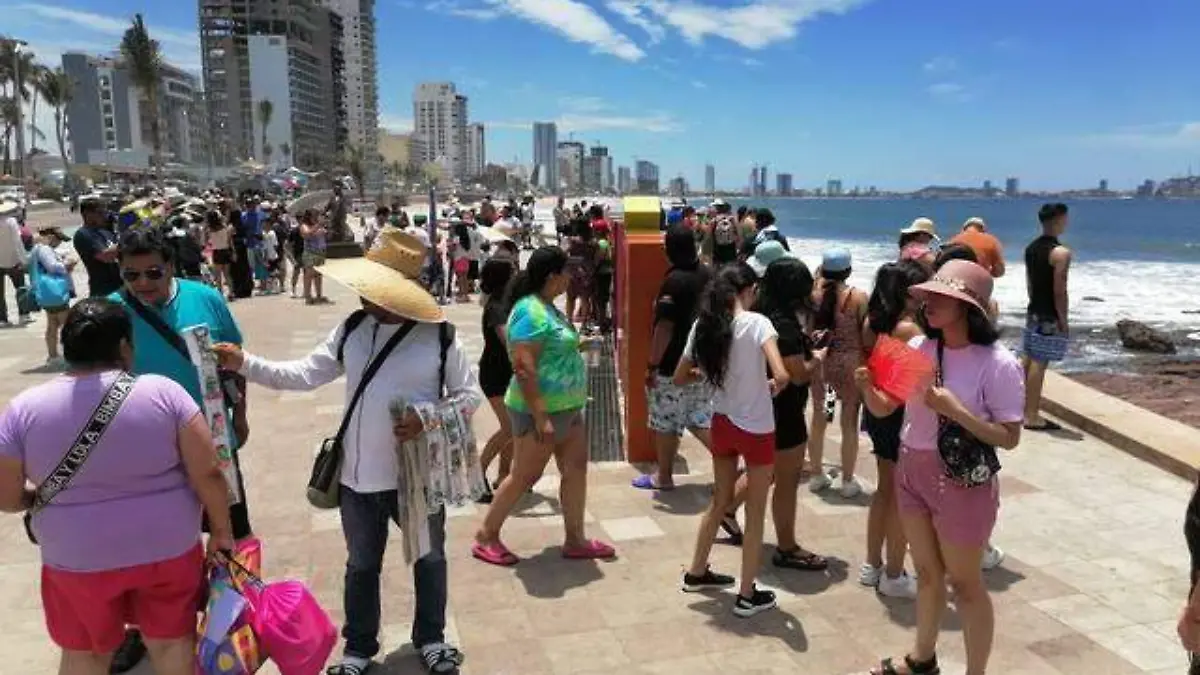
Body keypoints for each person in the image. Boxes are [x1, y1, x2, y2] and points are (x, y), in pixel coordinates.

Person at [212, 229, 479, 675]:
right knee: (361, 566)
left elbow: (468, 397)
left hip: (417, 479)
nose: (363, 294)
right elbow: (303, 374)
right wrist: (245, 363)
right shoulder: (352, 329)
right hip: (358, 478)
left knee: (430, 560)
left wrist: (426, 418)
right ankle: (358, 647)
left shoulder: (441, 337)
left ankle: (432, 638)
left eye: (373, 288)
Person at [0, 298, 235, 675]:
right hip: (167, 547)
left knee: (85, 653)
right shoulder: (165, 393)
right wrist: (221, 532)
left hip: (76, 556)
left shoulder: (23, 409)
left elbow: (7, 497)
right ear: (125, 346)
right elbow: (207, 472)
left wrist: (34, 498)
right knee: (172, 642)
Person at [857, 260, 1024, 675]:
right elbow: (885, 407)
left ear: (968, 307)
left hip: (961, 482)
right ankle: (922, 659)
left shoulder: (998, 362)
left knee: (965, 585)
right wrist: (865, 386)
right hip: (911, 470)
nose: (927, 303)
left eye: (940, 297)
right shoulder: (918, 347)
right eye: (927, 296)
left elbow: (1009, 437)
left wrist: (957, 411)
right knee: (927, 574)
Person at [473, 246, 615, 566]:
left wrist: (581, 344)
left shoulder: (549, 307)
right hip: (540, 411)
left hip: (567, 407)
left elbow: (553, 345)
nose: (571, 277)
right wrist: (540, 417)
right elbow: (523, 368)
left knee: (575, 470)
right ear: (553, 276)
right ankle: (486, 535)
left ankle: (575, 539)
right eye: (567, 272)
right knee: (524, 475)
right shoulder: (530, 311)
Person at [675, 263, 789, 617]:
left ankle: (697, 572)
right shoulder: (758, 323)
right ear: (748, 290)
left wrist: (713, 374)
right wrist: (771, 385)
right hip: (756, 429)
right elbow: (782, 374)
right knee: (755, 514)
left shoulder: (704, 325)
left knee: (719, 501)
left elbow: (680, 376)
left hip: (722, 423)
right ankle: (746, 594)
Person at [739, 257, 828, 572]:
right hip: (785, 412)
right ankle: (787, 547)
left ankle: (724, 511)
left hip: (756, 407)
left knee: (762, 472)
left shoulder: (757, 315)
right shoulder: (785, 325)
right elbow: (797, 374)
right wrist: (817, 358)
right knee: (786, 481)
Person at [857, 261, 929, 599]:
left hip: (877, 406)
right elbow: (907, 379)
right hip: (896, 409)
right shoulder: (909, 330)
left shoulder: (872, 321)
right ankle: (894, 573)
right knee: (901, 497)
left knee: (884, 490)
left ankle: (872, 564)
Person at [633, 226, 713, 492]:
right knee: (698, 417)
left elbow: (664, 328)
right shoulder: (708, 274)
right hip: (701, 362)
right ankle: (732, 462)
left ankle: (664, 477)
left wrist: (652, 366)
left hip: (672, 365)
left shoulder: (674, 282)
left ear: (668, 250)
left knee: (666, 421)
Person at [808, 249, 868, 498]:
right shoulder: (858, 297)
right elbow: (865, 333)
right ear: (849, 271)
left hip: (823, 366)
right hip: (850, 367)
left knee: (821, 418)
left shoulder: (813, 296)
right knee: (848, 424)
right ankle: (847, 481)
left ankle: (816, 475)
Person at [1022, 203, 1072, 432]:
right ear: (1058, 219)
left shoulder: (1031, 248)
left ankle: (1019, 408)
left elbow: (1030, 284)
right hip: (1049, 313)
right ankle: (1031, 415)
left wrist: (1034, 304)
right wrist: (1063, 319)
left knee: (1028, 359)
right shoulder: (1061, 253)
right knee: (1039, 363)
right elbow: (1060, 290)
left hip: (1034, 309)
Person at [476, 258, 516, 503]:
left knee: (514, 428)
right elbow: (508, 340)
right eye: (512, 272)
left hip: (508, 373)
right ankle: (476, 475)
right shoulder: (496, 308)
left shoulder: (506, 302)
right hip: (495, 375)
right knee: (511, 427)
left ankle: (504, 476)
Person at [29, 224, 77, 367]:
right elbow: (52, 266)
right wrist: (68, 265)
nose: (59, 242)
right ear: (50, 237)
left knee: (52, 324)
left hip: (48, 293)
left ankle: (53, 356)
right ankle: (71, 355)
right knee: (66, 325)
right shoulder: (45, 249)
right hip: (55, 292)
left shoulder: (38, 249)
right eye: (58, 239)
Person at [73, 198, 123, 300]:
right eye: (100, 212)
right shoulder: (83, 234)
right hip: (103, 291)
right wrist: (129, 239)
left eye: (105, 212)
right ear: (87, 214)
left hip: (120, 287)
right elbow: (105, 256)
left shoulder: (105, 231)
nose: (105, 216)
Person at [0, 201, 31, 327]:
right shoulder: (11, 222)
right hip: (13, 260)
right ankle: (23, 315)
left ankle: (2, 319)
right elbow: (17, 242)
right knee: (20, 288)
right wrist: (24, 260)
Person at [301, 209, 331, 305]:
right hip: (310, 253)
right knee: (309, 275)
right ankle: (308, 296)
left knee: (318, 275)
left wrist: (327, 230)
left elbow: (325, 237)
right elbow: (307, 234)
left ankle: (319, 295)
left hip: (320, 253)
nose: (316, 217)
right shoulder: (304, 226)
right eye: (314, 216)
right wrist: (318, 225)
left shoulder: (319, 226)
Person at [206, 210, 235, 299]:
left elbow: (205, 241)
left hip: (216, 252)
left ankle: (220, 293)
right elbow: (230, 241)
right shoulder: (225, 227)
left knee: (218, 276)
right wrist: (233, 252)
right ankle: (231, 293)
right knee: (227, 274)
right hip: (225, 251)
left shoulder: (209, 230)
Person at [708, 199, 741, 266]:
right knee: (731, 266)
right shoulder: (732, 219)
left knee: (718, 268)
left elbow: (709, 237)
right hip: (731, 248)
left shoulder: (714, 220)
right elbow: (739, 235)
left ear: (717, 208)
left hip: (718, 249)